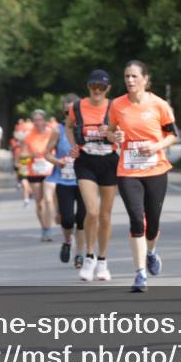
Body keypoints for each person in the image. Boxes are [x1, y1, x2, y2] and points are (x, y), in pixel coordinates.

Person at [107, 61, 177, 292]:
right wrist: (113, 137)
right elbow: (110, 131)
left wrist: (157, 147)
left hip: (156, 169)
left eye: (135, 76)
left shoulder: (159, 104)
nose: (130, 80)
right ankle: (139, 274)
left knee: (152, 223)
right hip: (128, 171)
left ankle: (151, 252)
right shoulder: (117, 105)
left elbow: (172, 135)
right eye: (127, 76)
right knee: (137, 220)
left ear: (145, 79)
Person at [66, 69, 118, 282]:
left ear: (108, 89)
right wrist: (73, 146)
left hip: (109, 160)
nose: (97, 91)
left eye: (101, 87)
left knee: (105, 215)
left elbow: (121, 132)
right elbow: (69, 127)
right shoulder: (77, 107)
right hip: (86, 160)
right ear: (88, 87)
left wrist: (113, 134)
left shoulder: (115, 107)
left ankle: (103, 260)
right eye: (93, 86)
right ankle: (89, 256)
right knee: (93, 211)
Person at [45, 94, 87, 267]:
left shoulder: (85, 129)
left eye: (73, 111)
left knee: (82, 219)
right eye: (66, 111)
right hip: (64, 180)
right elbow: (47, 153)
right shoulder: (57, 130)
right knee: (68, 219)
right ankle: (67, 241)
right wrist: (58, 162)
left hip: (85, 179)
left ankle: (79, 255)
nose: (69, 115)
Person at [20, 109, 57, 241]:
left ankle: (52, 223)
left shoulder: (51, 134)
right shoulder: (28, 136)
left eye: (40, 120)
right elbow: (22, 156)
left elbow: (58, 150)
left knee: (50, 199)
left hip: (50, 171)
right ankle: (45, 229)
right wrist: (31, 155)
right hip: (34, 171)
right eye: (35, 120)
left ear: (45, 120)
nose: (38, 122)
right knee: (40, 202)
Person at [12, 118, 34, 207]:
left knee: (29, 187)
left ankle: (29, 193)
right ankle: (26, 200)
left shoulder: (31, 150)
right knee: (25, 185)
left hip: (32, 171)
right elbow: (16, 163)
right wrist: (19, 165)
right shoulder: (18, 151)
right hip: (23, 171)